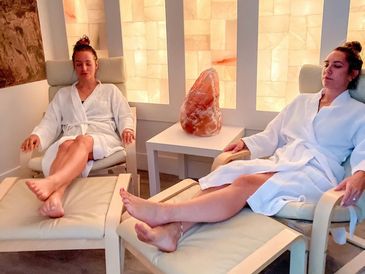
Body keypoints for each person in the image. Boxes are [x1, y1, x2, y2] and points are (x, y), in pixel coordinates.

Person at [120, 41, 365, 252]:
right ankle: (171, 232)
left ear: (352, 74)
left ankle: (164, 213)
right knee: (226, 176)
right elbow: (273, 134)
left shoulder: (358, 113)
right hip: (284, 162)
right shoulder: (302, 102)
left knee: (245, 183)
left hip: (314, 174)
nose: (328, 70)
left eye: (337, 66)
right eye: (326, 64)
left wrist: (359, 175)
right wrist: (245, 142)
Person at [21, 35, 135, 218]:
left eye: (88, 63)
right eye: (79, 64)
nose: (84, 68)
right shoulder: (63, 94)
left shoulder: (110, 90)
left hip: (101, 137)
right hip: (72, 138)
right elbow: (50, 121)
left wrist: (127, 129)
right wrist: (37, 136)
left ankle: (51, 182)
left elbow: (124, 115)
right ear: (74, 66)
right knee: (66, 145)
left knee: (81, 140)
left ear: (96, 64)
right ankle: (55, 199)